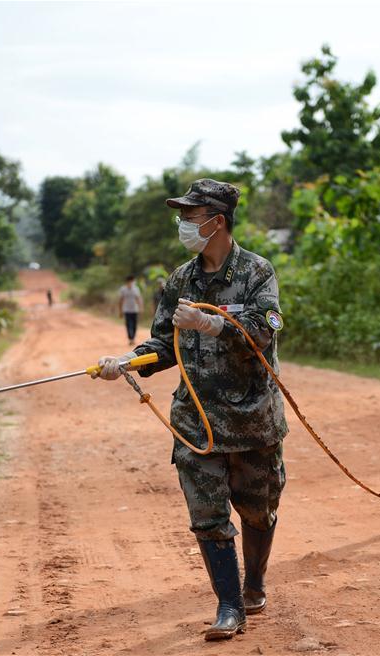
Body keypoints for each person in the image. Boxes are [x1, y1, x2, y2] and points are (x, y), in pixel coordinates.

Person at [93, 179, 287, 641]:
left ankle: (254, 584)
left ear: (216, 221)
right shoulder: (180, 280)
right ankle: (228, 606)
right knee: (207, 514)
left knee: (258, 511)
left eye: (191, 216)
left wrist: (213, 324)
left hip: (253, 419)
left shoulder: (258, 272)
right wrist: (128, 361)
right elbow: (164, 343)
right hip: (196, 422)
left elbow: (265, 331)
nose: (183, 224)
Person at [118, 275, 143, 345]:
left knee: (134, 325)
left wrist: (140, 308)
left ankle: (133, 338)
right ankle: (131, 338)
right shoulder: (123, 289)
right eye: (131, 281)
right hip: (127, 310)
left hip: (135, 310)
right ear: (128, 282)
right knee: (128, 324)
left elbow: (138, 299)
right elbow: (120, 300)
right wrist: (120, 310)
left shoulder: (136, 289)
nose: (132, 283)